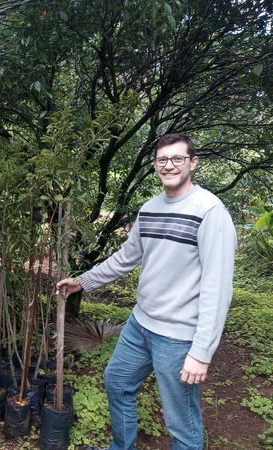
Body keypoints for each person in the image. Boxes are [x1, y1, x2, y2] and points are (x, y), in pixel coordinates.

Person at [57, 133, 236, 450]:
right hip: (141, 324)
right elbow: (126, 257)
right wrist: (83, 281)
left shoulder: (210, 211)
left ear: (193, 163)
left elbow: (217, 288)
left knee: (180, 420)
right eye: (162, 159)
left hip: (179, 336)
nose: (169, 165)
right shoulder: (150, 208)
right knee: (118, 381)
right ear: (155, 165)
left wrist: (201, 352)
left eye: (177, 158)